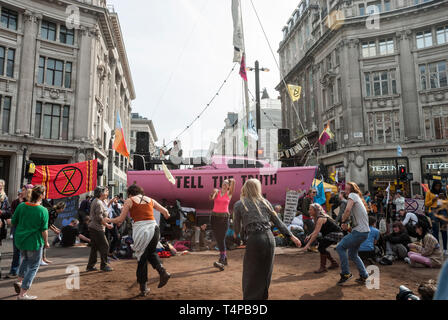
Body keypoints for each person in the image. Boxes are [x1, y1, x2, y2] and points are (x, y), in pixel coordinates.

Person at [233, 179, 301, 300]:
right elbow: (278, 222)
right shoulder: (265, 202)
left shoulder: (239, 204)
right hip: (269, 239)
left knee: (250, 272)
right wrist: (291, 236)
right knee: (265, 272)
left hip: (255, 240)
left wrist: (237, 235)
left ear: (245, 188)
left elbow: (237, 228)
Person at [110, 184, 171, 297]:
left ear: (130, 193)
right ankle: (163, 272)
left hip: (142, 232)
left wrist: (107, 219)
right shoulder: (150, 199)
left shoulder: (129, 200)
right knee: (151, 253)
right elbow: (165, 212)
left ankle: (143, 288)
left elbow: (120, 219)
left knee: (142, 258)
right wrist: (167, 215)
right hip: (154, 230)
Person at [11, 185, 49, 300]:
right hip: (34, 242)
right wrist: (46, 242)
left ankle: (20, 282)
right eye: (44, 193)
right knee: (33, 266)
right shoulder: (43, 210)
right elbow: (44, 230)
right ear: (41, 195)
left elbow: (13, 222)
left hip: (21, 240)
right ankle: (22, 294)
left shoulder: (22, 206)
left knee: (25, 260)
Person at [336, 182, 371, 285]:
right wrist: (348, 226)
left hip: (360, 232)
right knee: (352, 254)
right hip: (363, 232)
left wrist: (342, 221)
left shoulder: (353, 195)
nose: (346, 192)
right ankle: (364, 276)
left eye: (347, 189)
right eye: (345, 189)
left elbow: (347, 210)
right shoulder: (357, 198)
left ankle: (346, 274)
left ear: (352, 191)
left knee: (340, 247)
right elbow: (355, 220)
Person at [302, 203, 343, 273]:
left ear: (315, 210)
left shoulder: (320, 218)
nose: (309, 211)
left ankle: (323, 267)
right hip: (331, 234)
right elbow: (316, 231)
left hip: (336, 234)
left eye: (310, 209)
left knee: (321, 247)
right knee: (321, 246)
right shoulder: (317, 218)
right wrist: (309, 236)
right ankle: (333, 263)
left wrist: (307, 245)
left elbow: (316, 233)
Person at [5, 185, 33, 279]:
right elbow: (13, 214)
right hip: (17, 229)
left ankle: (23, 273)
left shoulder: (32, 203)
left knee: (26, 253)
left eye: (24, 190)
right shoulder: (16, 202)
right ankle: (14, 271)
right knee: (17, 252)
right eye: (22, 189)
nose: (22, 191)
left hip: (27, 230)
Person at [86, 186, 114, 272]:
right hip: (97, 228)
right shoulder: (98, 202)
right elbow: (99, 217)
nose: (107, 193)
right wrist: (107, 224)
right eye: (106, 191)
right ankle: (104, 265)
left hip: (94, 227)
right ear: (101, 193)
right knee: (105, 245)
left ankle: (90, 266)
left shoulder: (97, 201)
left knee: (94, 247)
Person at [209, 178, 235, 270]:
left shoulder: (229, 193)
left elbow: (233, 185)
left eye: (226, 184)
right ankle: (224, 257)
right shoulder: (217, 192)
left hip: (224, 218)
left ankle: (222, 258)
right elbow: (211, 198)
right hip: (214, 217)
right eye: (223, 183)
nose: (224, 185)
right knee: (218, 238)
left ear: (228, 186)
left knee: (221, 238)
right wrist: (213, 193)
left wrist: (232, 181)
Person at [0, 179, 11, 280]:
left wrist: (1, 213)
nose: (0, 187)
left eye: (1, 185)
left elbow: (9, 212)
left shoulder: (5, 198)